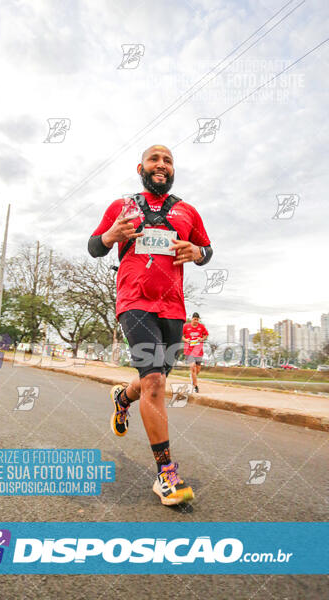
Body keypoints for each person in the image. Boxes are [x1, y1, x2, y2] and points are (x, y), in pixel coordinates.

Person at [88, 144, 212, 506]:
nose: (161, 165)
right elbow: (95, 246)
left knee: (151, 380)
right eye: (154, 159)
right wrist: (112, 236)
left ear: (173, 169)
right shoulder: (121, 207)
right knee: (155, 381)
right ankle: (166, 475)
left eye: (168, 160)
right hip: (135, 302)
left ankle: (122, 397)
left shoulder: (188, 211)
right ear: (140, 167)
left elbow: (206, 249)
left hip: (173, 307)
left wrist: (198, 253)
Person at [182, 312, 209, 393]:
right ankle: (195, 386)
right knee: (193, 367)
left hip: (198, 350)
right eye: (194, 319)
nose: (196, 321)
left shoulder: (201, 327)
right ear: (192, 318)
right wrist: (186, 340)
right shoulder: (186, 326)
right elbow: (181, 335)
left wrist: (202, 339)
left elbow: (206, 335)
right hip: (188, 350)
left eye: (197, 319)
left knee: (198, 369)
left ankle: (193, 377)